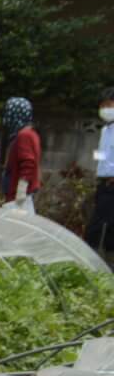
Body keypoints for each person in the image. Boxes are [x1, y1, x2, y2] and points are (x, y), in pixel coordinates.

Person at [87, 86, 114, 260]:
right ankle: (94, 254)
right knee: (98, 221)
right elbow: (104, 154)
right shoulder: (105, 130)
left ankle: (105, 256)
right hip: (103, 181)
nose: (105, 108)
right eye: (102, 105)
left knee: (107, 223)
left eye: (108, 104)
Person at [2, 96, 41, 213]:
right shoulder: (31, 133)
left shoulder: (24, 135)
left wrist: (22, 187)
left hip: (18, 193)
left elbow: (28, 162)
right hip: (17, 191)